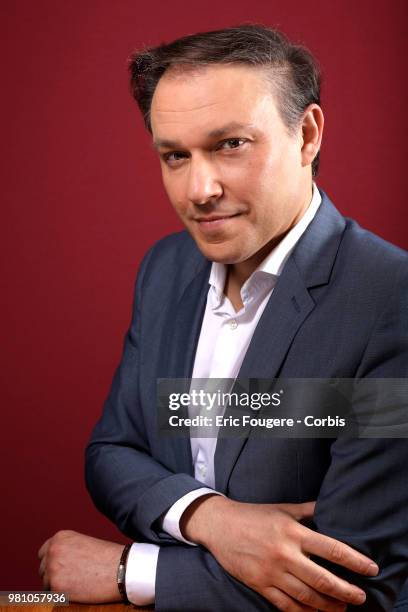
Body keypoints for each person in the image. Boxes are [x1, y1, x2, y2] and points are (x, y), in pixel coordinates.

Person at [38, 25, 408, 611]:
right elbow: (114, 450)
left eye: (231, 144)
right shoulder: (164, 268)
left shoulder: (392, 300)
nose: (199, 189)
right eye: (175, 155)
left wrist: (130, 568)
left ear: (307, 134)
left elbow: (357, 586)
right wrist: (209, 516)